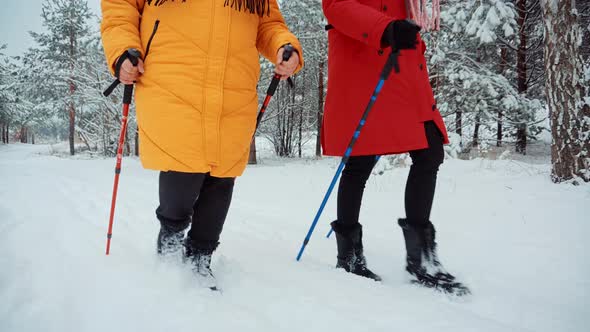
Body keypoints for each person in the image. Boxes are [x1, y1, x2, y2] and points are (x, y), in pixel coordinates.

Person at [101, 0, 303, 286]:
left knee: (222, 177)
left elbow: (268, 24)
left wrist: (284, 46)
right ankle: (170, 246)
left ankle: (200, 258)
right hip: (174, 82)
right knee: (182, 167)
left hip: (233, 89)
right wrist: (122, 50)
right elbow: (120, 9)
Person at [321, 0, 468, 295]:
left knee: (430, 150)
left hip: (403, 64)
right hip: (364, 61)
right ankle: (348, 257)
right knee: (361, 161)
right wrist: (384, 27)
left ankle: (421, 259)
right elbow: (335, 5)